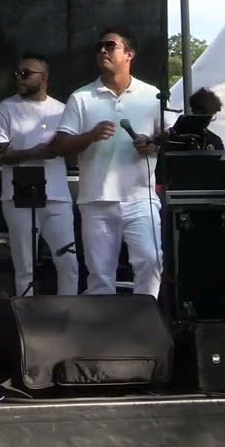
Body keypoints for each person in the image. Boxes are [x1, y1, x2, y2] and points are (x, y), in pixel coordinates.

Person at [49, 26, 163, 297]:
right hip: (96, 200)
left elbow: (169, 137)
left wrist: (152, 143)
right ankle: (103, 336)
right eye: (99, 46)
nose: (103, 50)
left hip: (140, 198)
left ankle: (144, 328)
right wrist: (89, 135)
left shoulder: (153, 95)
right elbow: (60, 146)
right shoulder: (81, 97)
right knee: (100, 275)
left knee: (150, 261)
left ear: (129, 54)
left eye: (110, 45)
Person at [0, 53, 78, 296]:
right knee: (25, 267)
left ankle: (69, 316)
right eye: (17, 73)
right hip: (19, 197)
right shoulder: (7, 108)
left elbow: (73, 153)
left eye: (26, 73)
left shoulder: (63, 109)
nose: (20, 78)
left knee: (68, 263)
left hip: (57, 196)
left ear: (44, 77)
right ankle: (25, 320)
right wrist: (32, 153)